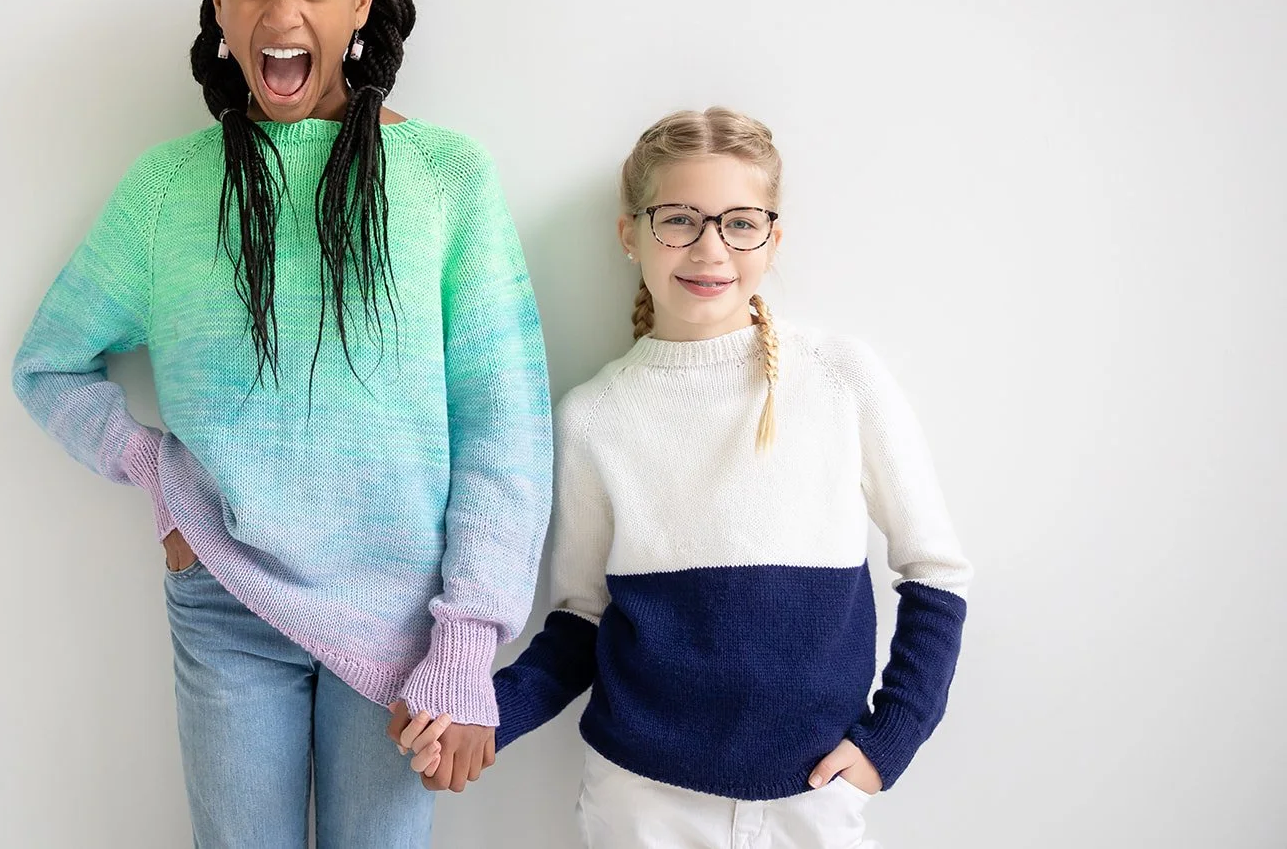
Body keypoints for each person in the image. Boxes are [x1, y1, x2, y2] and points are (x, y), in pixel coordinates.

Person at [13, 0, 551, 848]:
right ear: (215, 1)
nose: (280, 13)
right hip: (228, 605)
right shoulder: (168, 188)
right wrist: (157, 474)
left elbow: (504, 423)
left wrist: (467, 640)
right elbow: (47, 366)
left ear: (360, 0)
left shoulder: (444, 177)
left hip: (404, 623)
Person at [396, 107, 970, 849]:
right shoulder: (594, 416)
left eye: (740, 222)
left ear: (773, 236)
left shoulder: (840, 378)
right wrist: (485, 710)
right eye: (679, 219)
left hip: (813, 797)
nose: (709, 248)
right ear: (630, 232)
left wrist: (889, 739)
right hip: (641, 801)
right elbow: (582, 621)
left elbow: (937, 572)